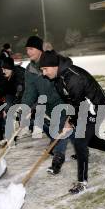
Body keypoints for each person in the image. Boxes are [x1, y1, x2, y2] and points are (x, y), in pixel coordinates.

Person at [39, 50, 105, 194]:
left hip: (97, 106)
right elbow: (70, 101)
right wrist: (70, 118)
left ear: (54, 66)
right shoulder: (58, 79)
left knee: (80, 141)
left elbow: (79, 105)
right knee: (89, 140)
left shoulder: (73, 78)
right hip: (83, 106)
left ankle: (82, 182)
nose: (44, 73)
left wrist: (70, 121)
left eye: (45, 69)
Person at [22, 36, 70, 175]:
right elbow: (30, 91)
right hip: (48, 104)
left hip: (62, 100)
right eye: (27, 49)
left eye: (31, 49)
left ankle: (58, 159)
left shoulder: (51, 60)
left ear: (39, 49)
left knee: (62, 128)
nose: (28, 52)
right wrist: (25, 107)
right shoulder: (30, 69)